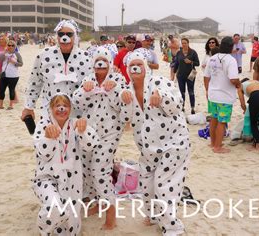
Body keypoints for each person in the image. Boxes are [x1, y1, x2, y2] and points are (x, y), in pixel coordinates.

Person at [120, 51, 190, 235]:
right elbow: (124, 119)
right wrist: (124, 102)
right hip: (147, 148)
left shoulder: (160, 83)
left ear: (145, 66)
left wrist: (162, 98)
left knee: (164, 185)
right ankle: (153, 215)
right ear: (127, 69)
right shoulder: (127, 90)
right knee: (146, 184)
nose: (135, 68)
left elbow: (177, 104)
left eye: (139, 64)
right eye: (132, 65)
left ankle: (172, 227)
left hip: (173, 143)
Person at [72, 47, 128, 230]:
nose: (101, 67)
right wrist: (86, 90)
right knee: (87, 168)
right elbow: (77, 102)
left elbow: (123, 106)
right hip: (89, 132)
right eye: (98, 63)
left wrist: (112, 89)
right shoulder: (87, 79)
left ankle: (111, 212)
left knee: (100, 170)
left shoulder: (118, 79)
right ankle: (99, 202)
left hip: (110, 133)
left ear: (110, 64)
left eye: (104, 63)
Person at [32, 94, 97, 236]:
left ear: (70, 108)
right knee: (54, 207)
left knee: (71, 226)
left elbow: (90, 146)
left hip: (71, 181)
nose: (61, 108)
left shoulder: (76, 124)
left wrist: (83, 131)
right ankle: (43, 232)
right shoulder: (43, 125)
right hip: (46, 178)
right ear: (51, 108)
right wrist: (48, 138)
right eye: (57, 105)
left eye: (65, 106)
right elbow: (42, 154)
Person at [21, 19, 92, 123]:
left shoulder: (86, 58)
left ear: (75, 36)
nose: (65, 37)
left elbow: (93, 83)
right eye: (61, 34)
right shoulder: (44, 55)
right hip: (49, 112)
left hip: (77, 114)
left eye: (69, 34)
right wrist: (28, 107)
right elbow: (34, 82)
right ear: (57, 36)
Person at [203, 37, 245, 153]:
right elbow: (233, 79)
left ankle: (213, 143)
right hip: (224, 96)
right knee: (222, 121)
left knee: (214, 119)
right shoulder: (231, 60)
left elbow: (206, 77)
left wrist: (207, 90)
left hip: (213, 95)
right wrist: (239, 84)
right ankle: (217, 147)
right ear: (231, 47)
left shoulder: (212, 58)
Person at [238, 78, 259, 151]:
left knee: (253, 122)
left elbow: (242, 103)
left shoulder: (240, 86)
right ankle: (258, 140)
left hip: (256, 96)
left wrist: (244, 110)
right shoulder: (257, 82)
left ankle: (257, 145)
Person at [0, 40, 23, 110]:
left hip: (13, 75)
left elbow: (21, 64)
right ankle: (0, 105)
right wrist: (4, 52)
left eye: (12, 45)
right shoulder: (4, 54)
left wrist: (14, 62)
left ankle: (11, 105)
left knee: (11, 90)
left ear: (14, 46)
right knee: (1, 90)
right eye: (9, 45)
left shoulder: (17, 54)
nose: (10, 47)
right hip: (4, 74)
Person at [173, 38, 200, 114]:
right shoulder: (179, 53)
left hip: (191, 74)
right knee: (182, 92)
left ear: (188, 43)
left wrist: (191, 62)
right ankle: (182, 107)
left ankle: (192, 108)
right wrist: (174, 72)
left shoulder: (193, 52)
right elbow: (176, 64)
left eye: (185, 43)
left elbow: (198, 63)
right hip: (181, 75)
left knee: (191, 91)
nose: (184, 44)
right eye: (182, 43)